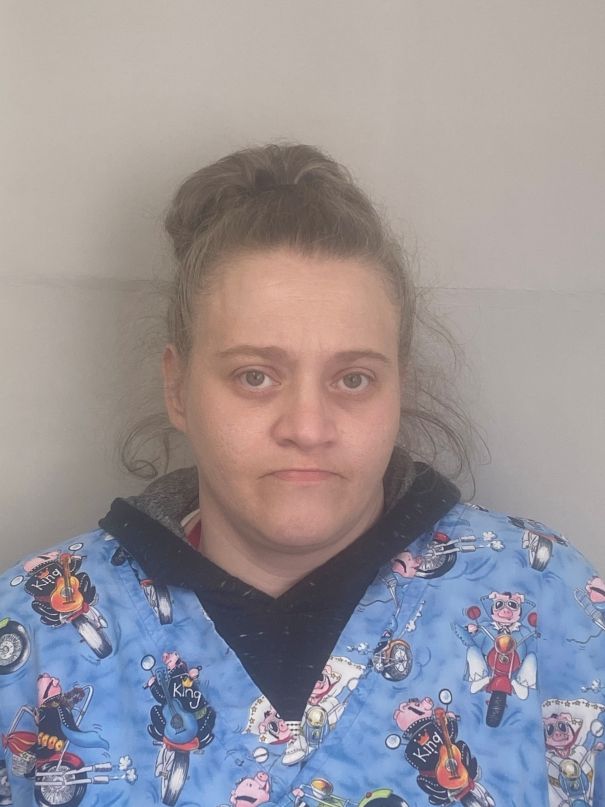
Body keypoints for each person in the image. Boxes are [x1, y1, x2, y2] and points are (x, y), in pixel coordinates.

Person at [0, 142, 602, 807]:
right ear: (178, 387)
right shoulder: (32, 634)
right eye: (255, 376)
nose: (308, 427)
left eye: (353, 378)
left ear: (398, 388)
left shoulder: (545, 596)